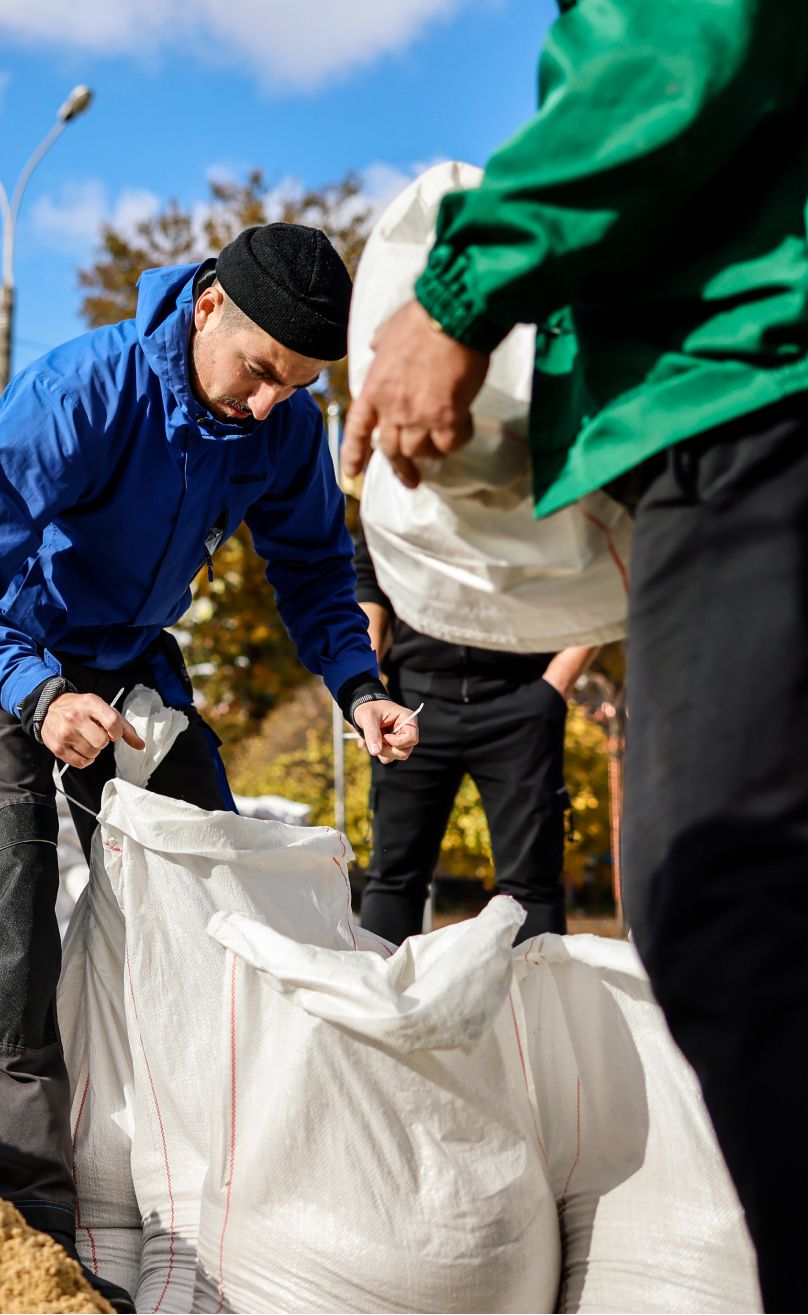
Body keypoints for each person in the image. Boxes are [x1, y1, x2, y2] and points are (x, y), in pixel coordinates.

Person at [341, 5, 807, 1305]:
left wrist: (459, 292)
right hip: (743, 391)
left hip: (752, 384)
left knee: (728, 890)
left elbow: (678, 34)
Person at [0, 222, 420, 1305]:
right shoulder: (82, 391)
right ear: (206, 307)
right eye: (261, 372)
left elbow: (315, 571)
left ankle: (219, 1164)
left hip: (126, 661)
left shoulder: (282, 427)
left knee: (210, 881)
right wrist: (41, 697)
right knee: (13, 892)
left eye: (297, 385)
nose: (271, 404)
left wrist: (359, 685)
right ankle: (20, 1208)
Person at [353, 528, 597, 944]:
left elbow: (599, 576)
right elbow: (369, 578)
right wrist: (368, 682)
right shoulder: (398, 501)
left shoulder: (538, 502)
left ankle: (536, 991)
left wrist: (555, 687)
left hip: (521, 701)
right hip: (414, 701)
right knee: (393, 875)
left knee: (533, 885)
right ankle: (384, 986)